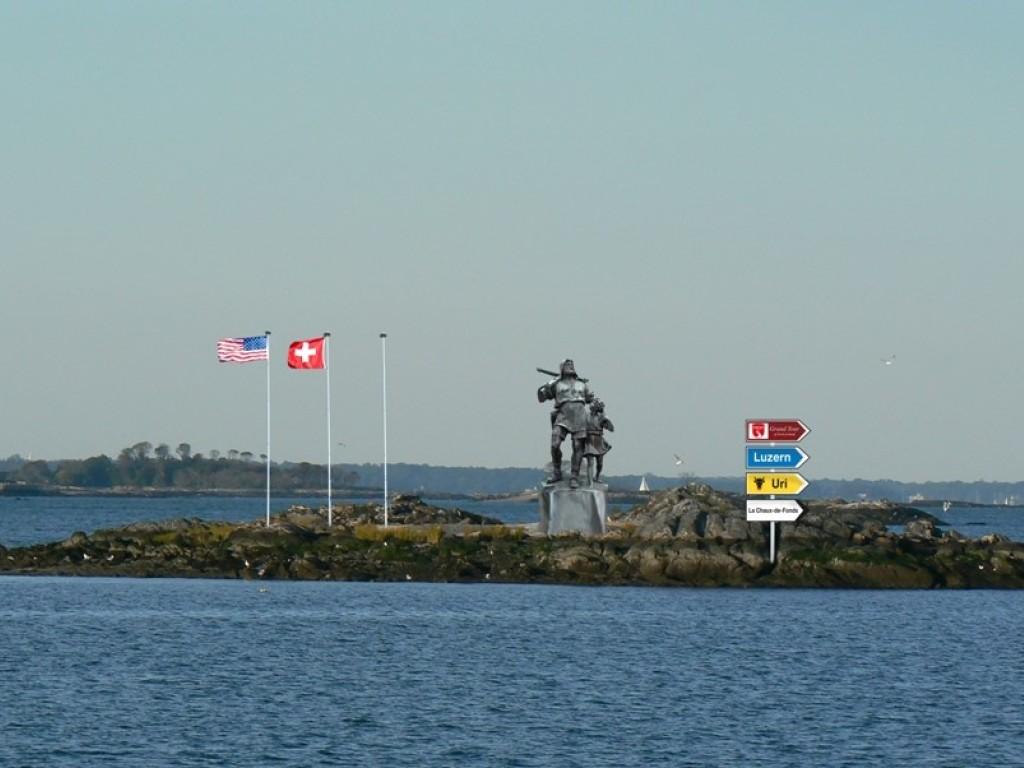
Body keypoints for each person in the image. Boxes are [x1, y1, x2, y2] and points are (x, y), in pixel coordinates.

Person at [537, 359, 593, 488]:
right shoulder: (557, 384)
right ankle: (557, 472)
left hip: (580, 417)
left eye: (572, 365)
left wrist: (590, 398)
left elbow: (589, 399)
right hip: (563, 416)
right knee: (555, 444)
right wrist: (550, 383)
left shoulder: (582, 384)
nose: (570, 367)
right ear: (561, 368)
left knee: (578, 446)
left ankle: (574, 476)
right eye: (567, 365)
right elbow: (541, 398)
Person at [584, 399, 614, 484]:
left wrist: (606, 418)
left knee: (600, 463)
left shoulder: (601, 417)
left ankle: (597, 476)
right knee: (590, 462)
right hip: (589, 439)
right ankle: (590, 482)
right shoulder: (586, 415)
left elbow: (611, 428)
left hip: (598, 439)